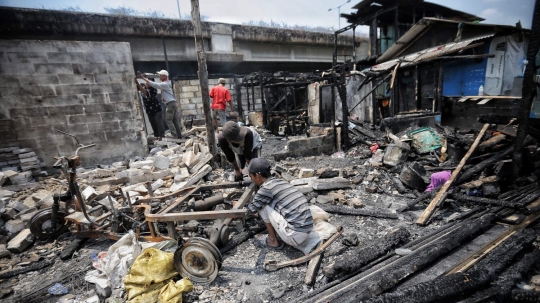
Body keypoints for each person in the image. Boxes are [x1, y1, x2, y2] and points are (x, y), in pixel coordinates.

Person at [246, 158, 313, 250]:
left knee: (263, 206)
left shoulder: (266, 189)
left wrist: (236, 206)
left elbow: (250, 210)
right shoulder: (280, 182)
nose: (252, 180)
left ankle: (273, 240)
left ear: (258, 176)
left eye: (251, 176)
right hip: (308, 229)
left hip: (294, 236)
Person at [140, 70, 183, 139]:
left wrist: (143, 78)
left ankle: (174, 135)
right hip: (172, 103)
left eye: (160, 75)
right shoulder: (166, 83)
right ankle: (179, 136)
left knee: (168, 120)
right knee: (174, 120)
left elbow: (155, 85)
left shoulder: (165, 84)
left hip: (170, 104)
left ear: (164, 76)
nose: (159, 76)